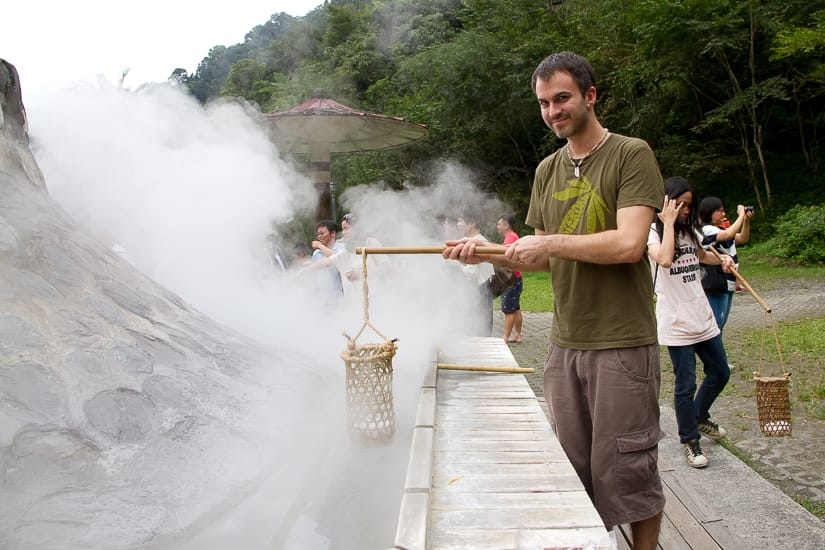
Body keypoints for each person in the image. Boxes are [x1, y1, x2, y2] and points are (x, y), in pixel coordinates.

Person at [444, 51, 665, 547]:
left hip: (622, 343)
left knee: (629, 472)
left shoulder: (631, 154)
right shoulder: (547, 169)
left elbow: (629, 244)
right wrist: (484, 255)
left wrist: (548, 243)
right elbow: (540, 257)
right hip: (566, 345)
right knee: (574, 469)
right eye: (543, 103)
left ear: (590, 95)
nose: (552, 111)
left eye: (561, 98)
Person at [647, 177, 734, 469]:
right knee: (685, 383)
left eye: (689, 204)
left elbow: (700, 255)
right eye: (680, 204)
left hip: (701, 314)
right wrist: (668, 223)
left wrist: (721, 262)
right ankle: (689, 439)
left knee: (720, 372)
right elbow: (665, 259)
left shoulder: (690, 231)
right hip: (675, 321)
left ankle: (699, 414)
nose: (686, 209)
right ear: (667, 202)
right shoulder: (652, 233)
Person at [697, 197, 754, 330]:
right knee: (715, 324)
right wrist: (740, 215)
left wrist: (745, 220)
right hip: (716, 282)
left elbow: (743, 238)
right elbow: (729, 234)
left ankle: (715, 350)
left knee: (721, 323)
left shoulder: (721, 229)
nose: (724, 214)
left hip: (729, 281)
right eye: (720, 211)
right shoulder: (706, 230)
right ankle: (711, 350)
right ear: (709, 212)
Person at [332, 213, 390, 299]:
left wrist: (360, 274)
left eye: (346, 228)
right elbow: (327, 261)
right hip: (357, 299)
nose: (343, 233)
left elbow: (387, 268)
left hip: (376, 296)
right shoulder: (348, 248)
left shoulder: (370, 242)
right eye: (342, 229)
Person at [456, 211, 495, 337]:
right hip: (484, 290)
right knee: (483, 330)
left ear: (471, 223)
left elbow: (471, 273)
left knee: (478, 331)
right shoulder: (481, 239)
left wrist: (456, 264)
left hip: (479, 292)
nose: (458, 224)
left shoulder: (474, 243)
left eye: (460, 221)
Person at [495, 214, 523, 343]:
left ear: (506, 226)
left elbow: (505, 257)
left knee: (509, 310)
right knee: (516, 308)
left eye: (499, 224)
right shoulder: (512, 237)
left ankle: (505, 338)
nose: (498, 226)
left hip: (511, 279)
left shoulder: (510, 238)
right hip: (516, 277)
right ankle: (517, 335)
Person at [304, 220, 346, 299]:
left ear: (333, 233)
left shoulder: (343, 248)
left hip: (340, 298)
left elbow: (338, 258)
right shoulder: (316, 253)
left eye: (322, 233)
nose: (319, 236)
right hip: (321, 299)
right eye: (318, 234)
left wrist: (320, 245)